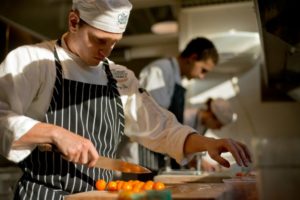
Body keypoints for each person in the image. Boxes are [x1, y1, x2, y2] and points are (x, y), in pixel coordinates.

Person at [0, 0, 251, 199]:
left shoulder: (120, 77)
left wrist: (206, 143)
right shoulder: (32, 62)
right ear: (74, 21)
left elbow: (161, 128)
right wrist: (54, 133)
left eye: (114, 43)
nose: (106, 52)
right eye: (99, 40)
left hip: (100, 195)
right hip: (46, 195)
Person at [135, 37, 219, 177]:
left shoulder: (177, 79)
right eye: (203, 70)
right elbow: (155, 121)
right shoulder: (160, 71)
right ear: (192, 58)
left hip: (158, 154)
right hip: (146, 155)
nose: (202, 76)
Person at [185, 98, 238, 172]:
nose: (219, 129)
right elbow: (180, 146)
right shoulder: (186, 118)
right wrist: (200, 163)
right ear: (212, 116)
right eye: (219, 125)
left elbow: (193, 151)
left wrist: (206, 164)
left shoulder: (203, 125)